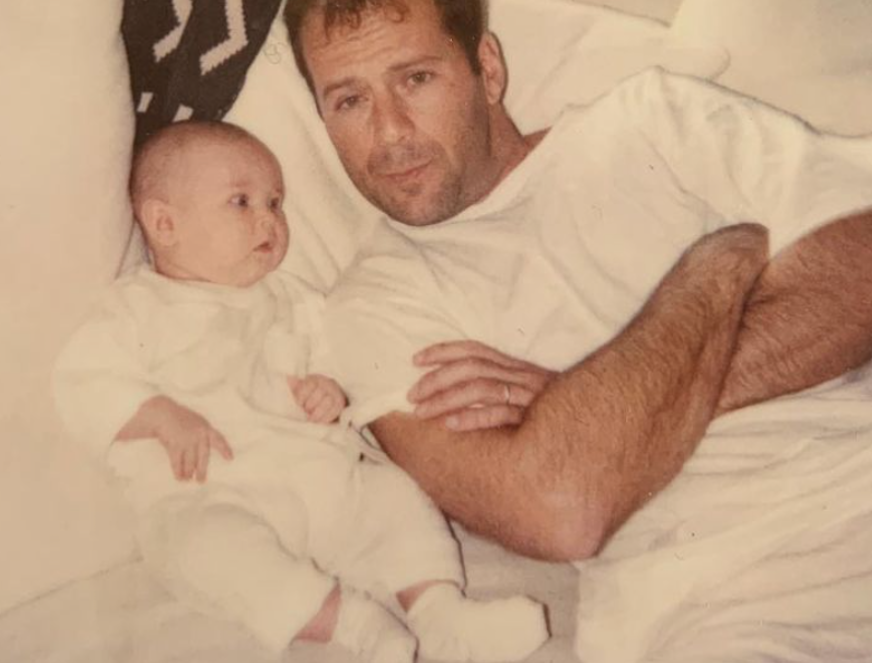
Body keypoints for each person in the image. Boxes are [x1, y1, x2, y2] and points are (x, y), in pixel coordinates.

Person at [282, 0, 872, 660]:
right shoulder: (370, 307)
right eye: (348, 100)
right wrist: (717, 265)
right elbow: (560, 505)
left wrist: (582, 404)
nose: (390, 133)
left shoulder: (653, 122)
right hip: (730, 607)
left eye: (416, 79)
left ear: (487, 68)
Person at [53, 121, 549, 663]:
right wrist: (156, 414)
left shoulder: (289, 297)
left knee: (394, 498)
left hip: (321, 484)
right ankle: (357, 626)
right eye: (241, 202)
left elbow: (335, 352)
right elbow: (83, 377)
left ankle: (439, 612)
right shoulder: (137, 308)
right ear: (164, 223)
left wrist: (329, 387)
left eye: (275, 201)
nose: (269, 218)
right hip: (211, 494)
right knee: (205, 550)